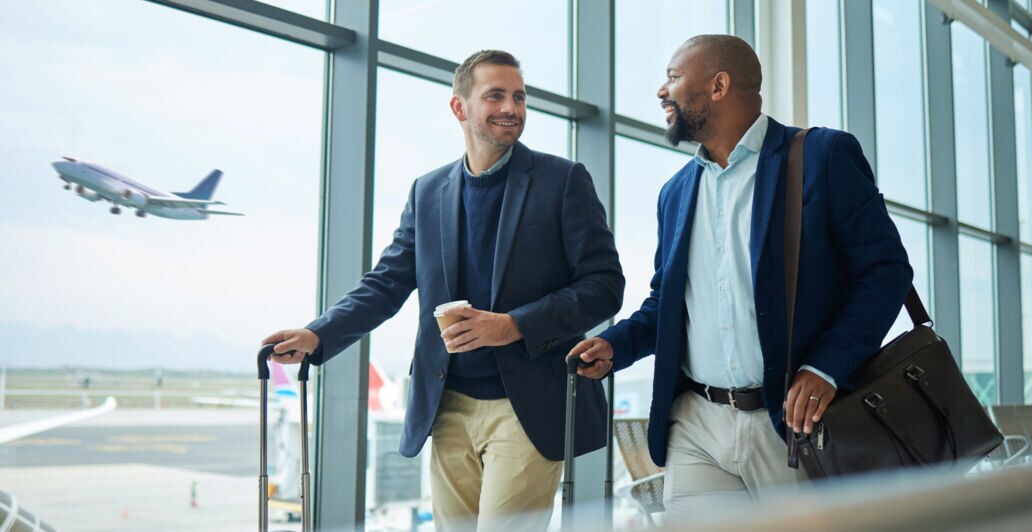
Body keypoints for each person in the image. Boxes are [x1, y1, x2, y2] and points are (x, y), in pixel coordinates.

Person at [263, 50, 624, 531]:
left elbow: (604, 285)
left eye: (519, 97)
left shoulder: (562, 181)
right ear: (459, 107)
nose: (511, 108)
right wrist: (318, 335)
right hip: (447, 404)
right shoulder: (428, 191)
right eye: (495, 96)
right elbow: (386, 282)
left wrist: (513, 326)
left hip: (528, 407)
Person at [569, 34, 912, 522]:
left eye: (672, 77)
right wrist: (615, 346)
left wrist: (825, 367)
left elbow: (885, 270)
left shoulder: (822, 156)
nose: (661, 91)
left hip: (792, 424)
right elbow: (667, 303)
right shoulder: (675, 193)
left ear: (719, 86)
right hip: (697, 424)